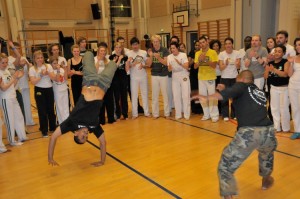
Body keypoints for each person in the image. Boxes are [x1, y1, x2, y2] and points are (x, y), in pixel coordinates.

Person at [192, 70, 277, 199]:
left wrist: (207, 97)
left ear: (241, 79)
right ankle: (266, 180)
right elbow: (240, 96)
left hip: (250, 133)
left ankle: (228, 195)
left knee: (225, 167)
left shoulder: (241, 85)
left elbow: (235, 90)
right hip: (269, 132)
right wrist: (226, 89)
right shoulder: (257, 90)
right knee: (266, 155)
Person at [48, 51, 117, 166]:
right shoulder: (93, 126)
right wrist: (102, 161)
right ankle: (105, 57)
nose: (86, 134)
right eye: (86, 137)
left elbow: (54, 137)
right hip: (104, 84)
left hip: (89, 80)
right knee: (113, 64)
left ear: (76, 134)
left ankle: (92, 53)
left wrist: (50, 158)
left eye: (82, 136)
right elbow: (103, 142)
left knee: (88, 54)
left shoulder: (71, 124)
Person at [0, 42, 28, 146]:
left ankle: (22, 136)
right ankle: (11, 140)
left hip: (13, 96)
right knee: (9, 120)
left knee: (19, 116)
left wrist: (17, 77)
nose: (5, 64)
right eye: (3, 62)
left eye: (6, 62)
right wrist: (14, 77)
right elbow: (3, 88)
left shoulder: (7, 70)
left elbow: (12, 84)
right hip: (5, 99)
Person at [29, 50, 57, 137]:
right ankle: (44, 130)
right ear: (34, 59)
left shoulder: (48, 66)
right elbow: (33, 82)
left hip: (49, 89)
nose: (40, 59)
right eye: (38, 58)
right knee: (42, 111)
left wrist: (48, 73)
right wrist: (40, 75)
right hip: (39, 90)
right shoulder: (32, 69)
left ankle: (52, 128)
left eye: (41, 57)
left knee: (51, 109)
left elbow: (54, 78)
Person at [264, 45, 289, 133]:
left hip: (284, 88)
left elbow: (285, 74)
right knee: (274, 108)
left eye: (279, 51)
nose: (277, 53)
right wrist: (267, 69)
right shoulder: (270, 63)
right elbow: (266, 76)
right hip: (273, 88)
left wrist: (274, 70)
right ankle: (276, 127)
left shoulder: (285, 62)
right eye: (276, 51)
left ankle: (286, 127)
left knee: (284, 108)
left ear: (283, 53)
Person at [194, 35, 219, 122]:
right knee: (202, 98)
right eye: (200, 43)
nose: (202, 44)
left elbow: (214, 66)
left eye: (203, 42)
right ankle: (206, 114)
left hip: (210, 77)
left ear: (207, 42)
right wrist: (200, 60)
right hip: (201, 77)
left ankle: (214, 116)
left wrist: (206, 60)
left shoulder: (213, 52)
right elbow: (195, 67)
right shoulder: (197, 53)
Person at [146, 34, 170, 119]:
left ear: (159, 42)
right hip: (154, 75)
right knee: (154, 95)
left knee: (165, 94)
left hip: (163, 75)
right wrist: (151, 56)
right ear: (152, 42)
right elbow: (148, 65)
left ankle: (167, 113)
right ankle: (155, 114)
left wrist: (159, 58)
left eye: (157, 41)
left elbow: (166, 63)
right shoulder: (150, 51)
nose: (155, 43)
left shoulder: (165, 50)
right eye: (154, 42)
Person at [127, 37, 150, 119]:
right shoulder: (128, 53)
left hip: (143, 76)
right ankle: (134, 114)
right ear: (131, 45)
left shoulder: (143, 52)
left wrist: (144, 66)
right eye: (133, 44)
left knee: (145, 94)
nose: (135, 46)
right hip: (133, 77)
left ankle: (147, 112)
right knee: (134, 95)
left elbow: (148, 64)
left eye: (136, 44)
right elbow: (127, 66)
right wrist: (131, 64)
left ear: (139, 44)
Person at [218, 37, 241, 121]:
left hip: (234, 77)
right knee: (224, 97)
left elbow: (238, 67)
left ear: (232, 44)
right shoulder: (221, 54)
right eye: (226, 44)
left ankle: (234, 114)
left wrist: (237, 64)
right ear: (224, 45)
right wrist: (226, 64)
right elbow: (220, 68)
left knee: (235, 97)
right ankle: (225, 115)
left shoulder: (237, 53)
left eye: (229, 43)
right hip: (224, 78)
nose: (228, 45)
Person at [167, 42, 190, 120]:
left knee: (185, 95)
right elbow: (169, 69)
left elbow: (187, 66)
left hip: (184, 75)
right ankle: (178, 114)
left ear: (177, 48)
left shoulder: (183, 55)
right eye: (171, 48)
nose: (172, 50)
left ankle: (186, 114)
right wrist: (169, 68)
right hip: (175, 76)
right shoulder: (169, 57)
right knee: (176, 96)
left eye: (174, 48)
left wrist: (180, 63)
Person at [109, 42, 129, 120]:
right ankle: (118, 114)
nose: (118, 49)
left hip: (123, 78)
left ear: (122, 48)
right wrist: (118, 59)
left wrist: (129, 62)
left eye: (119, 47)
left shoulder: (125, 57)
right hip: (115, 79)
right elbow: (113, 68)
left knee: (124, 97)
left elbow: (126, 70)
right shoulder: (111, 57)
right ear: (114, 48)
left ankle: (125, 114)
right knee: (116, 97)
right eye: (116, 47)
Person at [49, 56, 69, 124]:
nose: (56, 64)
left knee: (66, 105)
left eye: (56, 63)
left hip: (64, 89)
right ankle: (62, 122)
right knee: (59, 107)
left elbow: (66, 78)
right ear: (51, 64)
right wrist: (58, 70)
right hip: (57, 90)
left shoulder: (62, 70)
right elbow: (57, 80)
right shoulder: (51, 72)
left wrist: (65, 69)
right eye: (54, 63)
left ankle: (67, 120)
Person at [287, 37, 300, 139]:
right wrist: (291, 63)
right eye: (296, 45)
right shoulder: (294, 58)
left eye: (299, 44)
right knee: (295, 108)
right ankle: (297, 130)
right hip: (293, 86)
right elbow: (290, 74)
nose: (298, 47)